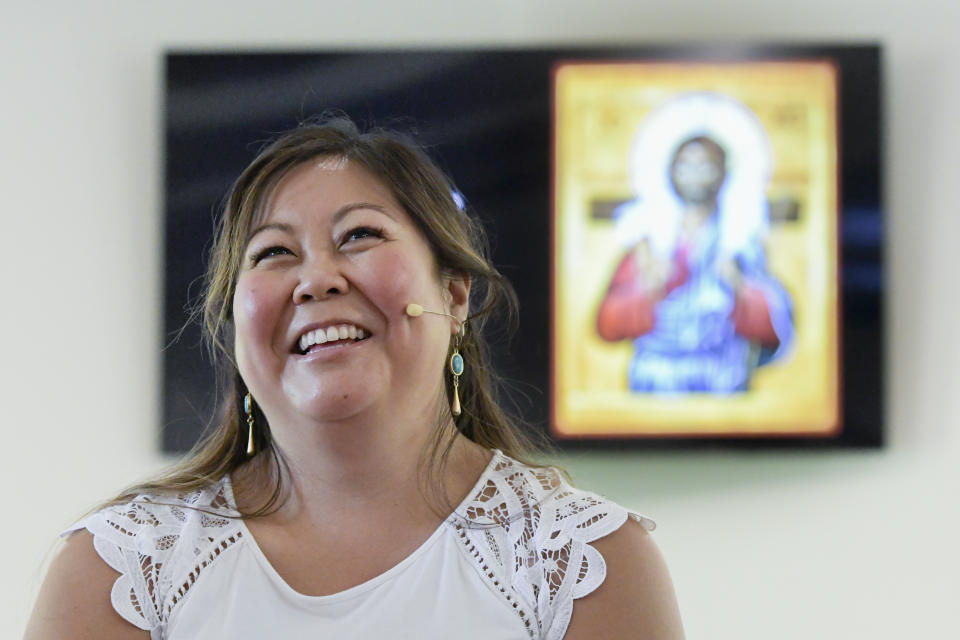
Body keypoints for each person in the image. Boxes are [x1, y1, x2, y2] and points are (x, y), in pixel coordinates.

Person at [26, 117, 684, 639]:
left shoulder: (582, 565)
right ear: (238, 330)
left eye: (360, 235)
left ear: (454, 297)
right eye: (274, 252)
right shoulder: (125, 568)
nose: (316, 279)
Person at [597, 94, 794, 393]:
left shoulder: (739, 243)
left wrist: (740, 284)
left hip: (721, 376)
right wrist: (647, 288)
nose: (694, 176)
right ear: (670, 171)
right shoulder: (649, 244)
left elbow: (777, 328)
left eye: (706, 167)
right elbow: (608, 323)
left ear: (724, 173)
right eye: (685, 166)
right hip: (657, 376)